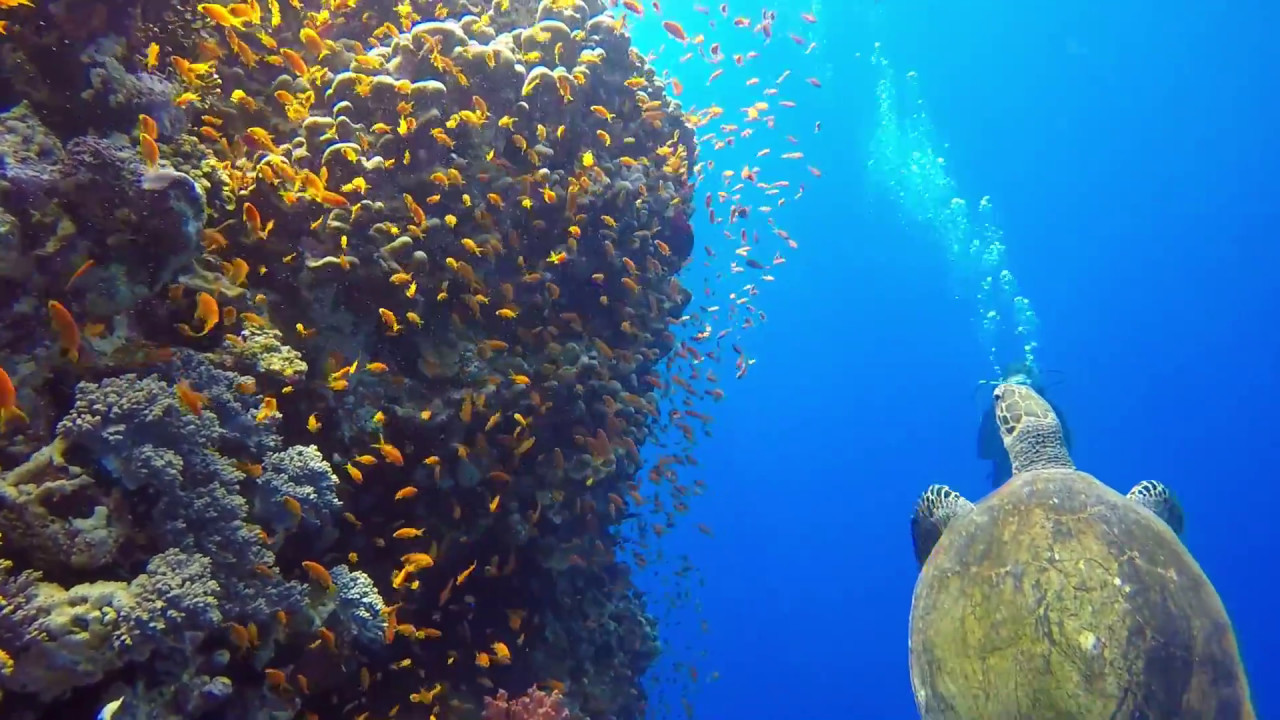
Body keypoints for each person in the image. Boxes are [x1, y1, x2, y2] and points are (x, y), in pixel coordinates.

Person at [976, 363, 1072, 487]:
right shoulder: (992, 415)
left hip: (1059, 474)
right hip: (1006, 477)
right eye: (1012, 388)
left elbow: (1068, 445)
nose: (1022, 393)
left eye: (1024, 386)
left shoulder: (1052, 409)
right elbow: (985, 451)